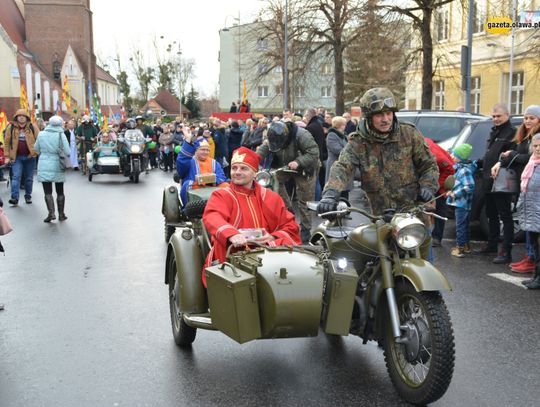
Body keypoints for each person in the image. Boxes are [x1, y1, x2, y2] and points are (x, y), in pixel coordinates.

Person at [318, 87, 438, 259]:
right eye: (379, 115)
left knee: (426, 272)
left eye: (389, 113)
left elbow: (429, 165)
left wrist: (428, 186)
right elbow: (342, 167)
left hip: (414, 218)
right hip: (382, 220)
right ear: (368, 116)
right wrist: (330, 194)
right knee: (379, 269)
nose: (385, 119)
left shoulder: (409, 134)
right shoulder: (359, 141)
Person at [202, 147, 301, 285]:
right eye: (234, 168)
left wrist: (273, 236)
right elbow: (212, 216)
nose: (237, 172)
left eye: (243, 168)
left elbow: (290, 225)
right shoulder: (222, 195)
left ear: (255, 173)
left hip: (269, 257)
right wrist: (231, 234)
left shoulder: (271, 197)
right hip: (232, 256)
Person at [492, 105, 540, 269]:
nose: (527, 121)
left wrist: (513, 155)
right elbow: (516, 154)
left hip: (534, 186)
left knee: (533, 223)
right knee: (527, 221)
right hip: (524, 184)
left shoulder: (537, 138)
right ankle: (530, 256)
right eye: (526, 118)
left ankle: (532, 258)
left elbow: (530, 158)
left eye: (531, 118)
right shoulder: (524, 135)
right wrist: (501, 161)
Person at [257, 120, 320, 243]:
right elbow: (263, 149)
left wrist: (299, 162)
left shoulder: (302, 136)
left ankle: (306, 229)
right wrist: (253, 160)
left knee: (305, 199)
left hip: (305, 167)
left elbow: (314, 152)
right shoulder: (272, 137)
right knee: (274, 180)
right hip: (285, 165)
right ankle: (287, 209)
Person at [474, 104, 516, 261]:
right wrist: (477, 163)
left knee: (505, 215)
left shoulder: (512, 133)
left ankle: (506, 251)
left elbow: (510, 156)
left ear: (507, 115)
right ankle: (492, 245)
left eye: (499, 116)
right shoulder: (494, 132)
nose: (496, 119)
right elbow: (490, 155)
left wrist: (501, 164)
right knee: (491, 214)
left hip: (502, 180)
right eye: (494, 116)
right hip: (488, 180)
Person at [176, 127, 229, 206]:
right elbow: (181, 161)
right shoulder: (190, 161)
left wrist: (212, 180)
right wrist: (188, 139)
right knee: (187, 184)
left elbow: (221, 176)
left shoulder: (214, 163)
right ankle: (187, 209)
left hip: (213, 189)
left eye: (207, 150)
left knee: (226, 185)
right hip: (196, 192)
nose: (205, 152)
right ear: (196, 150)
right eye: (202, 150)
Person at [33, 115, 71, 222]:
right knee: (60, 190)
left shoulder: (41, 134)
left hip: (44, 162)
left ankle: (51, 213)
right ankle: (61, 214)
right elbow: (67, 151)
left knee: (47, 191)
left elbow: (36, 148)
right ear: (60, 124)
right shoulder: (61, 135)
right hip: (57, 163)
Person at [517, 133, 540, 289]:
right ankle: (536, 277)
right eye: (535, 146)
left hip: (538, 212)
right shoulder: (532, 163)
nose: (537, 149)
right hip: (532, 212)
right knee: (536, 247)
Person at [446, 144, 476, 257]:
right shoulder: (459, 169)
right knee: (464, 225)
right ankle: (466, 246)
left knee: (460, 226)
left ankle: (460, 248)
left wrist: (455, 194)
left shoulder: (464, 171)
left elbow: (470, 186)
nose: (452, 156)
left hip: (462, 203)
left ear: (460, 157)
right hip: (462, 203)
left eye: (455, 154)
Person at [4, 109, 38, 206]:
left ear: (27, 118)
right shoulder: (10, 127)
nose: (21, 117)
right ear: (16, 117)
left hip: (30, 157)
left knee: (29, 178)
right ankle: (14, 198)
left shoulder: (32, 127)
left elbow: (40, 140)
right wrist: (7, 156)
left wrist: (36, 152)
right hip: (16, 157)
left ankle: (28, 196)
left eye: (23, 116)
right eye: (19, 116)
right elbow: (6, 143)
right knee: (16, 177)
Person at [425, 137, 455, 247]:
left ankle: (437, 237)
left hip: (442, 176)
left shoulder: (436, 156)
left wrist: (439, 186)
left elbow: (450, 169)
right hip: (429, 177)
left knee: (439, 209)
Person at [325, 116, 352, 199]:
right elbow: (337, 150)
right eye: (344, 124)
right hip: (335, 165)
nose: (345, 126)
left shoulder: (343, 135)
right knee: (336, 190)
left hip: (344, 165)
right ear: (339, 125)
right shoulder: (332, 135)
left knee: (344, 193)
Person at [305, 108, 327, 201]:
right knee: (316, 180)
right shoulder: (318, 125)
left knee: (314, 181)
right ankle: (317, 200)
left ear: (309, 116)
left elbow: (306, 143)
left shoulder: (310, 127)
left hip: (313, 157)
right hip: (319, 156)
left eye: (306, 115)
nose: (305, 118)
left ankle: (316, 201)